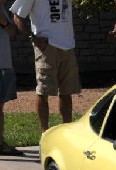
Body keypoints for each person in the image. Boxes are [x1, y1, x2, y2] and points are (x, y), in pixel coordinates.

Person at [10, 0, 81, 134]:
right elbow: (17, 15)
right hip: (46, 46)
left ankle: (67, 131)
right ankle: (45, 132)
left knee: (67, 92)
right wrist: (34, 38)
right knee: (43, 91)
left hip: (68, 45)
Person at [0, 0, 22, 155]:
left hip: (4, 64)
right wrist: (6, 25)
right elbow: (11, 30)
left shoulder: (2, 9)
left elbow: (13, 31)